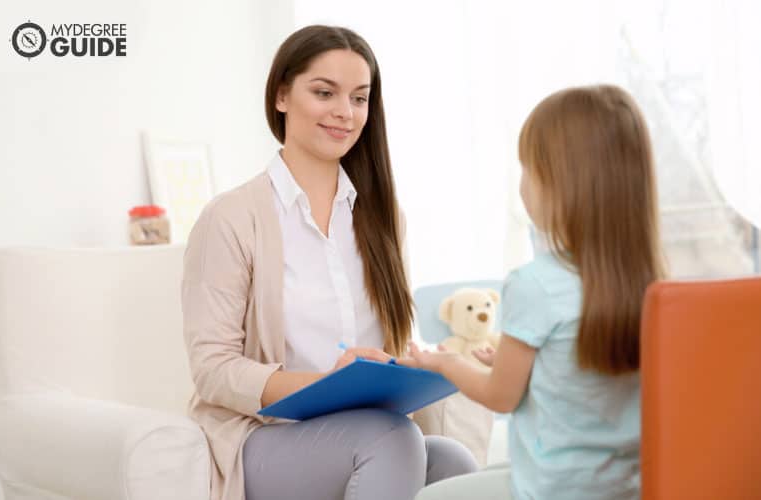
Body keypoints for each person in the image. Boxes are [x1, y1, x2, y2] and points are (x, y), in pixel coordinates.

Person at [181, 25, 477, 500]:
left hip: (365, 430)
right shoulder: (232, 217)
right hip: (263, 438)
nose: (345, 112)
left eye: (360, 99)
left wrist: (423, 365)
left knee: (454, 463)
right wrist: (324, 385)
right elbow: (212, 370)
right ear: (281, 96)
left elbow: (391, 342)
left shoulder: (383, 220)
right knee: (394, 441)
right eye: (324, 93)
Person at [400, 84, 667, 500]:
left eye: (527, 168)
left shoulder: (534, 283)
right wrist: (516, 364)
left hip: (552, 490)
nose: (522, 183)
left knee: (429, 497)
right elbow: (582, 384)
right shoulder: (650, 284)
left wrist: (445, 362)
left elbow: (499, 396)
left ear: (560, 183)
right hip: (627, 488)